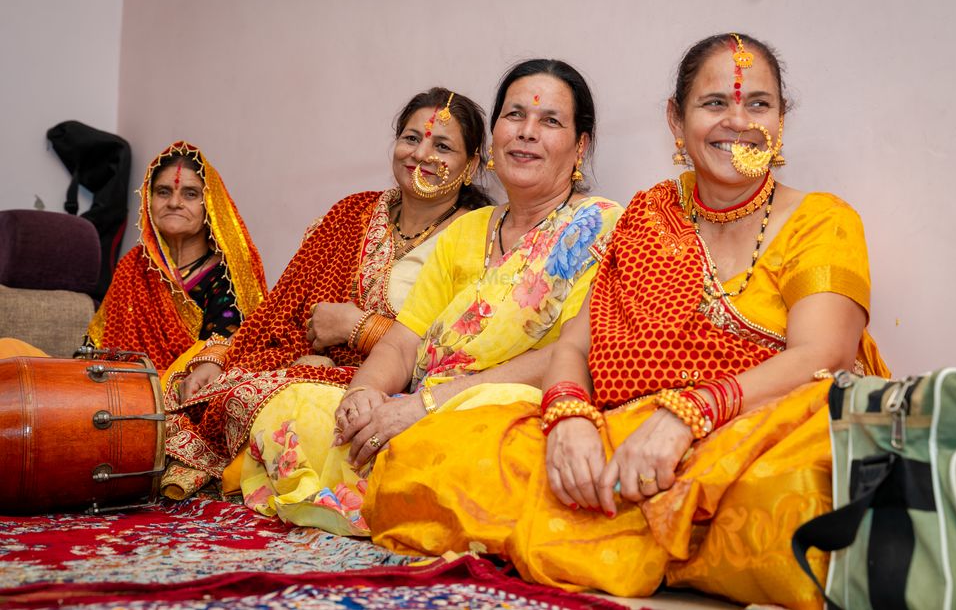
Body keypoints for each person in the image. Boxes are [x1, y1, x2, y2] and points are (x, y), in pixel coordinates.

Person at [359, 35, 890, 610]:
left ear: (780, 119)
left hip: (765, 425)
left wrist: (690, 415)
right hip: (632, 428)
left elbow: (824, 356)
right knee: (437, 453)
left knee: (802, 483)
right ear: (676, 119)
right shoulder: (648, 214)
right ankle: (665, 532)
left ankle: (655, 527)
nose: (737, 122)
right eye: (714, 104)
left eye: (758, 104)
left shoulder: (823, 219)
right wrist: (568, 417)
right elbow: (575, 346)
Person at [240, 60, 624, 535]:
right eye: (514, 115)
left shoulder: (601, 227)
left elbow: (569, 354)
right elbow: (403, 342)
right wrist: (365, 393)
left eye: (550, 121)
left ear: (579, 145)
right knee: (293, 405)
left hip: (508, 411)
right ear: (495, 134)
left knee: (470, 442)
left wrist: (429, 405)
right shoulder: (466, 230)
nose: (527, 132)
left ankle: (396, 489)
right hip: (422, 403)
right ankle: (394, 490)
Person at [161, 87, 493, 500]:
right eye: (411, 138)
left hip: (398, 389)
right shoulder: (351, 212)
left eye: (441, 146)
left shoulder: (480, 238)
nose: (420, 154)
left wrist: (358, 328)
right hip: (307, 362)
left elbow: (463, 348)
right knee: (189, 374)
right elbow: (278, 310)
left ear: (473, 162)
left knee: (285, 407)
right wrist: (221, 354)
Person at [86, 141, 266, 370]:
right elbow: (95, 348)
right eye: (163, 192)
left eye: (190, 194)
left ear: (210, 205)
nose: (174, 203)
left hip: (187, 395)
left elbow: (218, 357)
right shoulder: (134, 267)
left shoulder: (229, 279)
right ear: (149, 200)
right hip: (116, 388)